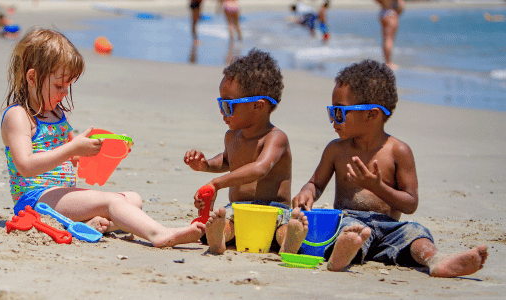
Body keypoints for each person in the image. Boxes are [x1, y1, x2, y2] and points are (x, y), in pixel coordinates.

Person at [1, 28, 205, 248]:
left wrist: (102, 148)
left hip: (62, 195)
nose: (63, 93)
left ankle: (93, 224)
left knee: (133, 199)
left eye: (68, 86)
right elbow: (26, 166)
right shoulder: (19, 116)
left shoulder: (57, 113)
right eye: (59, 86)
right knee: (112, 202)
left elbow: (74, 157)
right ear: (32, 77)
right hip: (35, 200)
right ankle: (159, 234)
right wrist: (72, 149)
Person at [292, 59, 488, 277]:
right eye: (331, 112)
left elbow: (410, 203)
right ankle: (343, 254)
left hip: (389, 228)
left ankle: (437, 260)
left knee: (416, 232)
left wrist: (377, 187)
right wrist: (306, 192)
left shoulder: (398, 151)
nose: (333, 120)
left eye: (339, 112)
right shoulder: (336, 150)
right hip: (351, 221)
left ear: (372, 114)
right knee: (347, 230)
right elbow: (315, 184)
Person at [184, 48, 309, 255]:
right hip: (239, 208)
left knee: (282, 229)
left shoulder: (275, 138)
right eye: (221, 104)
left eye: (229, 105)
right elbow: (226, 161)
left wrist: (217, 183)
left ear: (258, 106)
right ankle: (218, 238)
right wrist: (205, 165)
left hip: (273, 209)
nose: (223, 112)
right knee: (226, 224)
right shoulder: (231, 136)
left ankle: (289, 241)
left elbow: (260, 168)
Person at [374, 0, 404, 69]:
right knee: (389, 39)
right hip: (391, 13)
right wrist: (398, 12)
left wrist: (383, 4)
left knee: (385, 39)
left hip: (383, 11)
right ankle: (389, 62)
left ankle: (387, 61)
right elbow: (401, 5)